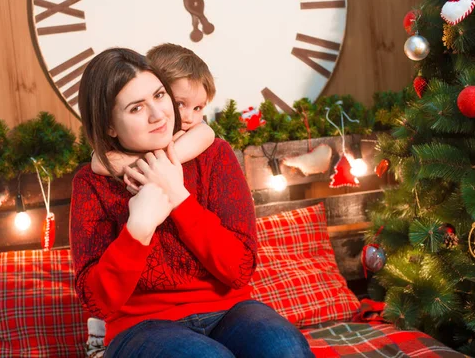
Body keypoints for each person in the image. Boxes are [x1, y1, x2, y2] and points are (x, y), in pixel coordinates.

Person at [70, 47, 313, 357]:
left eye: (159, 96)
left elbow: (239, 269)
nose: (158, 115)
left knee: (284, 348)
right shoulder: (93, 183)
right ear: (109, 126)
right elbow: (97, 301)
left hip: (230, 311)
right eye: (136, 108)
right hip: (141, 326)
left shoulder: (214, 156)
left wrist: (179, 198)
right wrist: (139, 227)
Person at [90, 43, 215, 192]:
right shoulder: (128, 138)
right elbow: (99, 163)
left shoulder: (196, 132)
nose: (189, 117)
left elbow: (207, 133)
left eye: (198, 108)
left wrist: (154, 165)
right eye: (180, 104)